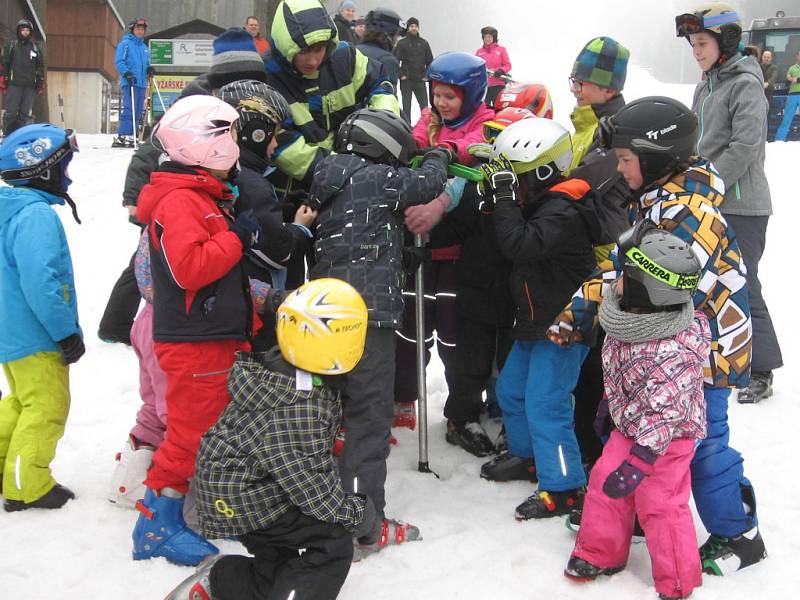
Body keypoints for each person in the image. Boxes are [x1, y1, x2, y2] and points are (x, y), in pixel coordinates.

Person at [550, 95, 767, 575]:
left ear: (656, 160)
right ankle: (641, 515)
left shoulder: (690, 214)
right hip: (659, 345)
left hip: (703, 352)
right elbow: (624, 267)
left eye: (626, 160)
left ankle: (739, 534)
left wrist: (581, 309)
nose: (620, 169)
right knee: (636, 432)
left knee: (702, 446)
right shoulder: (658, 200)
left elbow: (637, 273)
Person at [163, 278, 373, 600]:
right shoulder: (298, 405)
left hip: (245, 486)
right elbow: (307, 483)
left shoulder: (282, 369)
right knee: (332, 542)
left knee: (279, 563)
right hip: (245, 495)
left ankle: (218, 583)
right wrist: (354, 513)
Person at [306, 108, 450, 558]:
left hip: (323, 315)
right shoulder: (376, 178)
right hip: (367, 317)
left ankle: (317, 508)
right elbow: (426, 185)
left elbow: (358, 235)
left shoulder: (327, 177)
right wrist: (439, 155)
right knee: (369, 418)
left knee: (326, 416)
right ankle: (363, 525)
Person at [131, 95, 259, 566]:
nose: (238, 147)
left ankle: (188, 513)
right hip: (194, 342)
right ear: (208, 144)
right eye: (231, 136)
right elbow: (189, 270)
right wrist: (235, 238)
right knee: (190, 434)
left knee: (206, 432)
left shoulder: (199, 197)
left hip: (211, 336)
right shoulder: (183, 201)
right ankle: (156, 525)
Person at [565, 224, 709, 600]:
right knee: (603, 481)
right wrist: (606, 408)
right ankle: (600, 552)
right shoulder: (630, 318)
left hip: (669, 439)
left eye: (626, 277)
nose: (617, 282)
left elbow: (663, 412)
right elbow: (619, 373)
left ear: (651, 289)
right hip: (629, 425)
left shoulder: (672, 349)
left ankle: (678, 579)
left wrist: (642, 460)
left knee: (660, 503)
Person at [478, 118, 596, 520]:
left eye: (519, 177)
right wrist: (498, 197)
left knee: (546, 402)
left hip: (563, 323)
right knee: (512, 391)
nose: (515, 185)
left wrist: (507, 199)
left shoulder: (564, 210)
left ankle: (563, 486)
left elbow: (521, 244)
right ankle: (529, 458)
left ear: (542, 173)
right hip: (536, 318)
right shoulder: (542, 203)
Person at [676, 3, 783, 403]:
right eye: (692, 45)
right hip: (710, 200)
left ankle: (762, 368)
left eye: (702, 43)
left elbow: (746, 144)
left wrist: (709, 184)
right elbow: (694, 138)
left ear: (727, 41)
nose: (697, 51)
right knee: (708, 283)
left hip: (743, 204)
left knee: (744, 283)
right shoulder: (707, 84)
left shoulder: (745, 83)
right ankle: (719, 355)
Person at [393, 51, 495, 431]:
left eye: (450, 96)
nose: (441, 103)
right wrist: (415, 149)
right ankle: (403, 396)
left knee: (456, 336)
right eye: (436, 94)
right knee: (409, 328)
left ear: (470, 94)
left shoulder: (486, 120)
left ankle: (462, 409)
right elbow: (417, 137)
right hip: (421, 246)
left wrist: (450, 151)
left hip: (460, 251)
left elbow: (477, 147)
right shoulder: (430, 117)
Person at [0, 123, 84, 511]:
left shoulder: (10, 208)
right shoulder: (35, 216)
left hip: (11, 331)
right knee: (46, 406)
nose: (67, 175)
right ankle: (26, 487)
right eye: (64, 166)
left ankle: (6, 469)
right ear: (43, 169)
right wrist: (64, 332)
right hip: (36, 333)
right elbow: (41, 282)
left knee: (20, 401)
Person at [566, 36, 633, 467]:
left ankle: (593, 449)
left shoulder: (615, 128)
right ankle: (586, 441)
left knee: (597, 360)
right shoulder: (587, 123)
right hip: (585, 248)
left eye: (584, 82)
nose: (575, 87)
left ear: (608, 89)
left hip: (604, 254)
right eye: (574, 78)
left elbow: (590, 187)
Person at [264, 0, 399, 198]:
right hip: (293, 191)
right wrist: (346, 171)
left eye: (318, 49)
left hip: (355, 178)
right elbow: (286, 148)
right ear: (286, 46)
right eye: (303, 51)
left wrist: (384, 124)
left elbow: (381, 83)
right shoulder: (268, 78)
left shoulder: (346, 57)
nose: (312, 60)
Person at [219, 79, 317, 351]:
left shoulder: (233, 172)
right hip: (259, 307)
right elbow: (279, 250)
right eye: (272, 134)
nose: (275, 144)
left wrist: (283, 207)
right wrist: (299, 227)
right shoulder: (252, 183)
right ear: (254, 133)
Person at [0, 19, 46, 136]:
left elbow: (40, 66)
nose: (25, 32)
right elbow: (5, 63)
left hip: (30, 86)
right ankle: (7, 135)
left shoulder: (35, 48)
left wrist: (41, 82)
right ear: (19, 31)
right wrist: (3, 78)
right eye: (23, 30)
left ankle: (19, 136)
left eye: (27, 30)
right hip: (14, 84)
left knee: (24, 113)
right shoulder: (12, 46)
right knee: (10, 112)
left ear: (30, 32)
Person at [114, 17, 152, 148]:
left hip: (141, 83)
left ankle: (132, 134)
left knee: (138, 110)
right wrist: (127, 73)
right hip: (130, 82)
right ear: (132, 30)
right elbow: (119, 61)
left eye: (142, 29)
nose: (140, 31)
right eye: (138, 29)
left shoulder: (144, 48)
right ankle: (123, 135)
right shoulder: (125, 44)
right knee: (129, 108)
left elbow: (146, 64)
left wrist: (149, 69)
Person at [393, 17, 433, 120]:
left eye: (415, 26)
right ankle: (407, 129)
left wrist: (426, 75)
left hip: (420, 79)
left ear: (418, 28)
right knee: (406, 107)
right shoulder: (402, 43)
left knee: (424, 107)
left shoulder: (424, 43)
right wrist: (401, 74)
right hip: (406, 80)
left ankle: (425, 128)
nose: (414, 28)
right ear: (408, 28)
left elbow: (430, 61)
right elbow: (394, 60)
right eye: (411, 26)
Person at [356, 8, 404, 89]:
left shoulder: (351, 51)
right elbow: (388, 99)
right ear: (389, 34)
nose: (397, 39)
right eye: (397, 34)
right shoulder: (387, 60)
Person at [476, 26, 511, 107]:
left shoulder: (501, 50)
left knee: (499, 109)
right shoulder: (479, 52)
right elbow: (476, 67)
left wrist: (500, 71)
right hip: (484, 87)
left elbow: (508, 65)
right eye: (485, 37)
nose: (487, 39)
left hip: (498, 86)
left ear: (494, 38)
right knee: (484, 110)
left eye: (489, 37)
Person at [775, 49, 800, 141]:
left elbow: (793, 79)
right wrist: (791, 79)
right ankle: (779, 139)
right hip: (792, 95)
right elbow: (788, 78)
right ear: (797, 56)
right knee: (787, 118)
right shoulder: (792, 68)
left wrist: (796, 79)